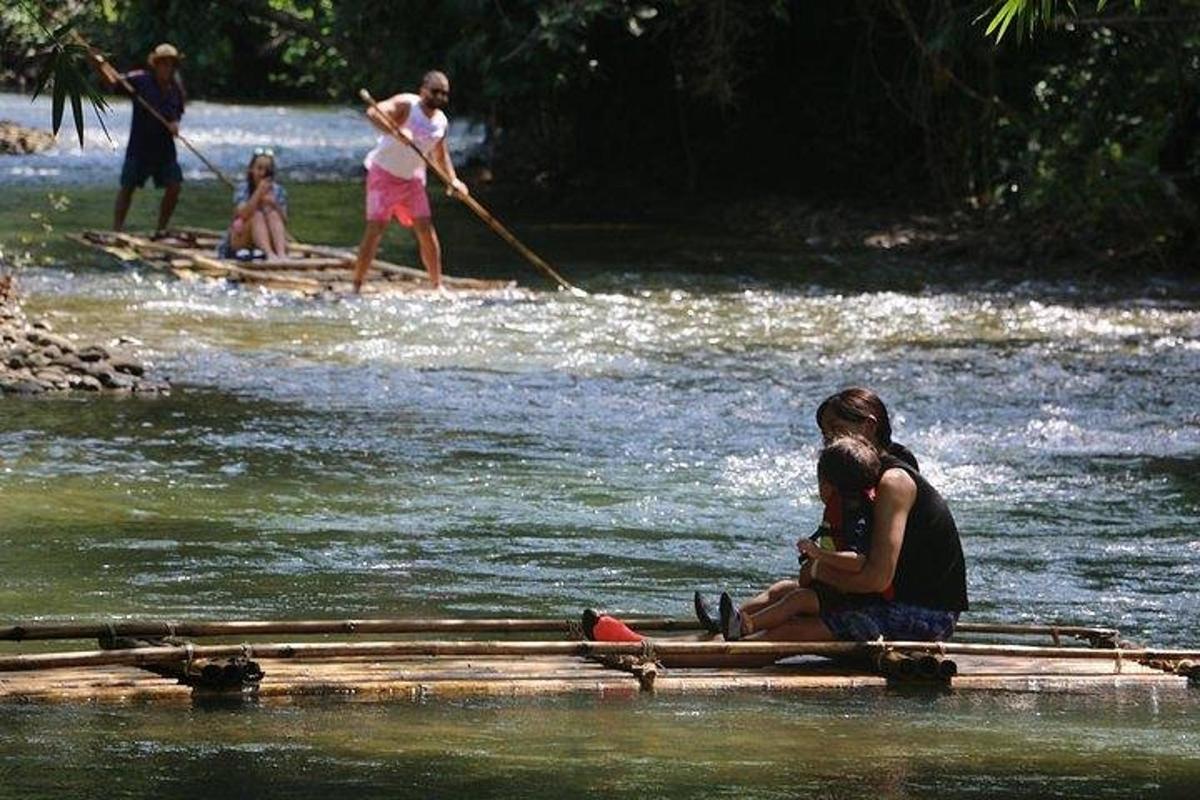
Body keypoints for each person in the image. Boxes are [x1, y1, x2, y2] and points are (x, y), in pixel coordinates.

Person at [702, 388, 968, 643]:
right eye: (825, 434)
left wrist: (818, 570)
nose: (829, 441)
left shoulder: (893, 481)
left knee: (790, 631)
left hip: (924, 615)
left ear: (869, 425)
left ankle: (714, 651)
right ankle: (726, 625)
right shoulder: (863, 475)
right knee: (787, 590)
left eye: (836, 430)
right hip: (884, 599)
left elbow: (877, 579)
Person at [351, 70, 468, 293]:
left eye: (444, 94)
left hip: (412, 179)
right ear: (423, 90)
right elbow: (373, 113)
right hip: (383, 175)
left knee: (425, 227)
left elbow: (440, 155)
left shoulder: (441, 122)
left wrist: (452, 180)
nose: (440, 98)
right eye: (435, 92)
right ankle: (357, 284)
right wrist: (397, 132)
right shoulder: (407, 104)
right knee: (376, 228)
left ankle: (437, 285)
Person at [90, 43, 186, 234]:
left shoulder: (176, 90)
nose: (167, 68)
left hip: (164, 149)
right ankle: (117, 230)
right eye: (163, 64)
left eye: (171, 64)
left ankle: (161, 229)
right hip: (140, 146)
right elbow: (113, 82)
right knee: (128, 187)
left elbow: (177, 115)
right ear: (156, 65)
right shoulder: (141, 80)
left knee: (174, 186)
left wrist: (174, 125)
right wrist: (97, 64)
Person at [218, 149, 290, 260]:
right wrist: (258, 193)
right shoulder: (243, 188)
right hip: (242, 237)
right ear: (252, 169)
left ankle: (281, 254)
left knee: (273, 215)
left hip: (268, 234)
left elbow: (284, 221)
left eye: (266, 169)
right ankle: (269, 254)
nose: (262, 173)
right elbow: (242, 214)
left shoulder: (278, 190)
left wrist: (274, 204)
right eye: (259, 168)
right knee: (257, 215)